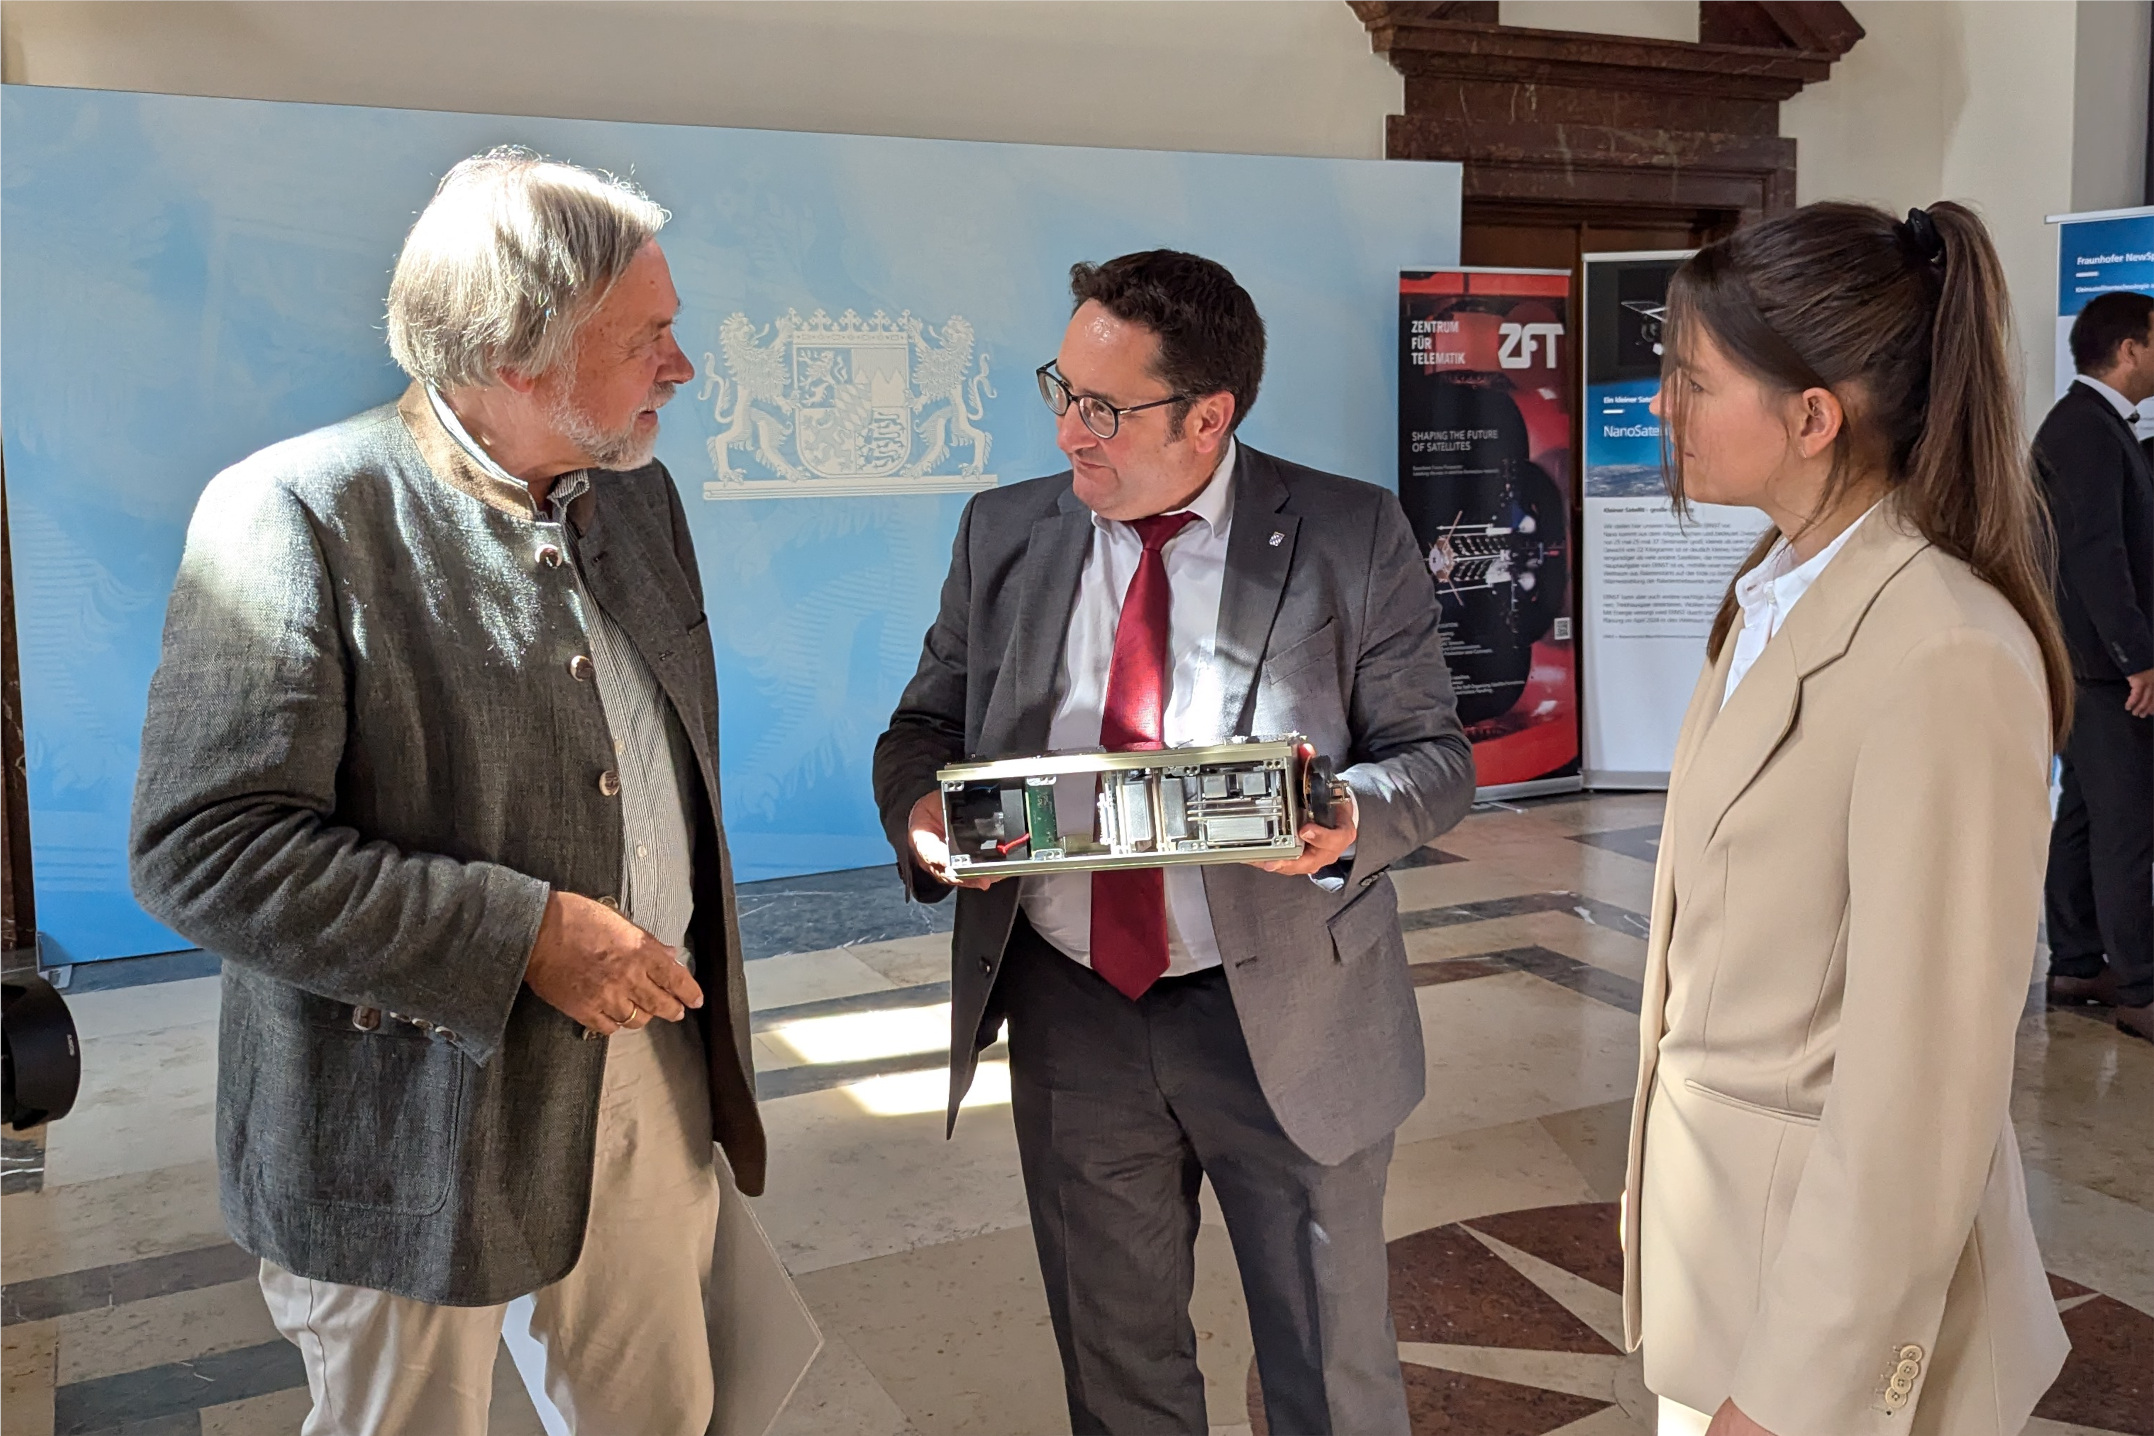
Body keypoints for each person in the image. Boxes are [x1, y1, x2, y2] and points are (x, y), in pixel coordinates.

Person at [129, 148, 765, 1435]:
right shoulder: (294, 512)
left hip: (647, 1066)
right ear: (519, 350)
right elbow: (205, 846)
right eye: (649, 336)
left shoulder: (636, 499)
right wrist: (521, 932)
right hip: (397, 1124)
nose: (680, 367)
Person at [872, 250, 1474, 1435]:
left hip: (1291, 1013)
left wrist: (1347, 816)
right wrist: (923, 812)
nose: (1066, 433)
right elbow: (925, 721)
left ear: (1210, 416)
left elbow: (1435, 757)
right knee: (1117, 1365)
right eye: (1061, 389)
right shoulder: (1005, 534)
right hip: (1074, 1006)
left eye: (1102, 407)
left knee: (1331, 1374)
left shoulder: (1348, 533)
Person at [1624, 202, 2074, 1436]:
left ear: (1814, 416)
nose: (1664, 408)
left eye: (1692, 379)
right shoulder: (1771, 593)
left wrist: (1792, 1394)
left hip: (1824, 1330)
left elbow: (1920, 1091)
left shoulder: (1943, 648)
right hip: (1730, 1267)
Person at [2034, 289, 2154, 1042]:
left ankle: (2079, 962)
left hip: (2088, 662)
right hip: (2101, 667)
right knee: (2127, 824)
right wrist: (2138, 656)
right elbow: (2094, 556)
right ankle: (2141, 990)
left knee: (2083, 813)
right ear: (2131, 347)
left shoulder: (2097, 427)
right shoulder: (2084, 429)